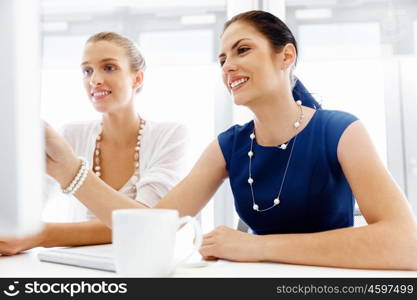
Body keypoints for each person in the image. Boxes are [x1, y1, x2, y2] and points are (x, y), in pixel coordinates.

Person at [45, 11, 417, 270]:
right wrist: (69, 170)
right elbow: (150, 227)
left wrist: (257, 247)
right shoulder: (229, 146)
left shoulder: (341, 131)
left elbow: (405, 243)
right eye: (222, 58)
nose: (227, 67)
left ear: (286, 55)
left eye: (242, 50)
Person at [0, 32, 186, 255]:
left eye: (109, 67)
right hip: (79, 269)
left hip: (146, 266)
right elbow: (28, 202)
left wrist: (42, 234)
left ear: (137, 78)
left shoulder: (169, 135)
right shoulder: (71, 134)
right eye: (87, 71)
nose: (94, 80)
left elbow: (146, 223)